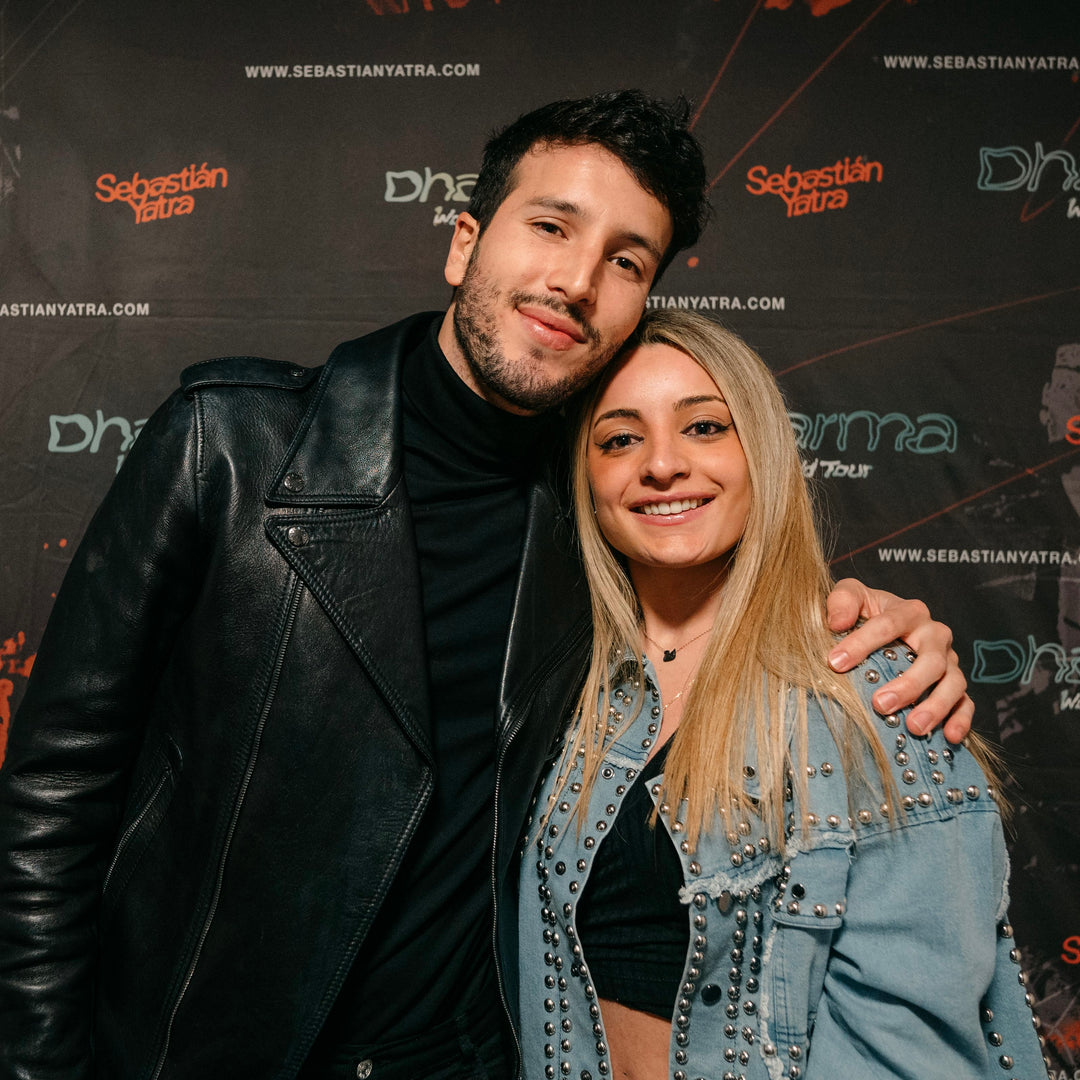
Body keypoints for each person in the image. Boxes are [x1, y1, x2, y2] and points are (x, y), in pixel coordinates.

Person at [0, 92, 970, 1080]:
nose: (576, 279)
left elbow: (730, 604)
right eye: (551, 225)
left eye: (627, 260)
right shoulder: (230, 446)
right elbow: (52, 798)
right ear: (466, 243)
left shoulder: (605, 512)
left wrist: (877, 632)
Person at [518, 309, 1048, 1080]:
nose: (662, 465)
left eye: (703, 428)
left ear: (760, 452)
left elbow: (911, 1050)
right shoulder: (562, 687)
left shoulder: (879, 690)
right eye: (621, 438)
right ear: (585, 475)